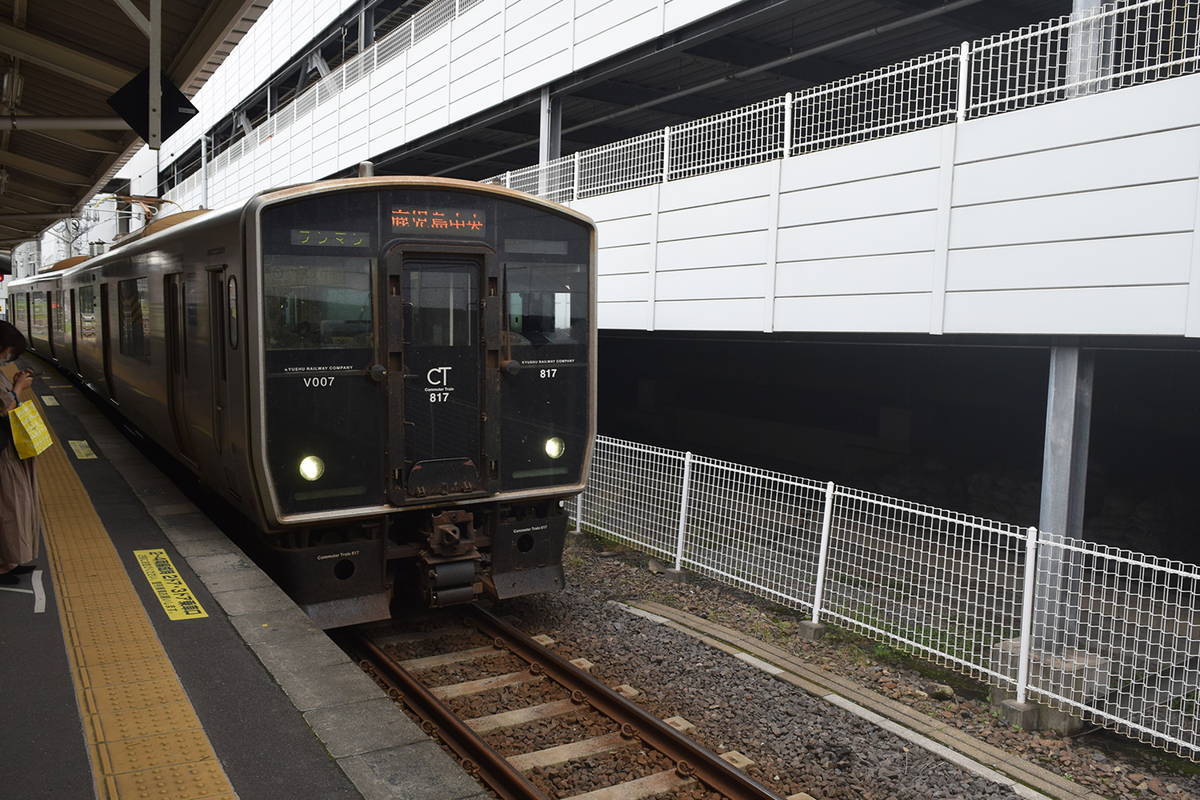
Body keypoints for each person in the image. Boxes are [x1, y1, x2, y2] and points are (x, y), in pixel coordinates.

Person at [0, 321, 38, 585]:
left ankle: (8, 560)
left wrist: (14, 385)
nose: (9, 356)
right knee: (8, 504)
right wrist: (19, 388)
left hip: (7, 446)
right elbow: (4, 408)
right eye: (10, 350)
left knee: (14, 502)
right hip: (1, 449)